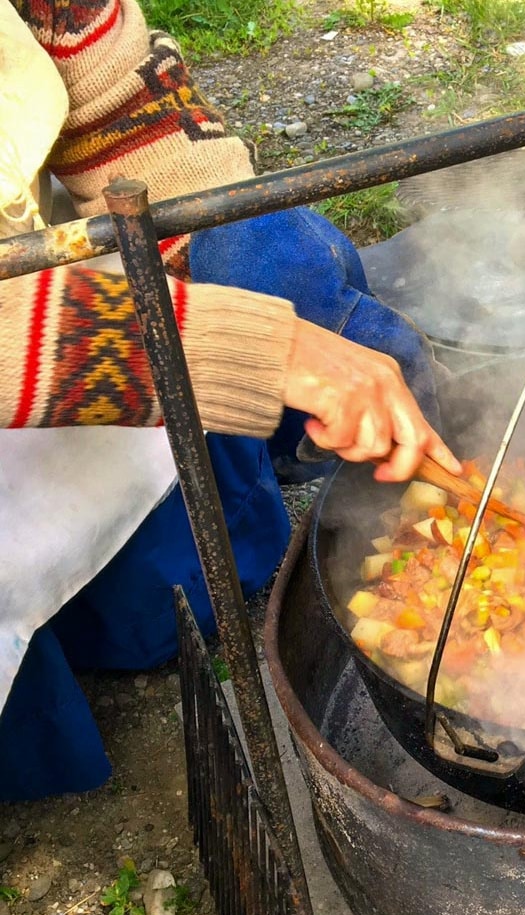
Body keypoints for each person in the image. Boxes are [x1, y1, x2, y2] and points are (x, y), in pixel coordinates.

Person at [0, 0, 459, 802]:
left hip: (33, 273)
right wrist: (251, 348)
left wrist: (224, 238)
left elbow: (113, 100)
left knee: (265, 252)